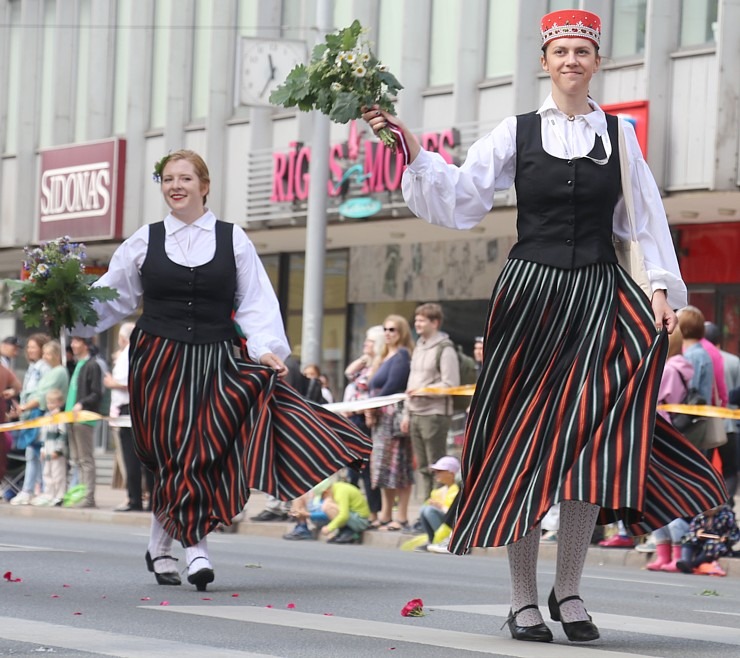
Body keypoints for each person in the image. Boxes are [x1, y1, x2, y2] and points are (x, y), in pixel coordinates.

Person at [363, 8, 726, 644]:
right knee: (522, 447)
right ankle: (523, 599)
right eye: (561, 51)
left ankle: (572, 589)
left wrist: (663, 289)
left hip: (596, 293)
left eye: (582, 51)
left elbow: (645, 218)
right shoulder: (515, 130)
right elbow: (462, 198)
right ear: (545, 61)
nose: (571, 61)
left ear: (596, 62)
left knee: (592, 446)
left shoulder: (621, 135)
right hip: (530, 298)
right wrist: (413, 149)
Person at [74, 149, 370, 591]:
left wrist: (266, 348)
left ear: (205, 185)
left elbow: (254, 300)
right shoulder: (144, 240)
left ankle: (192, 547)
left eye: (185, 178)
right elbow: (112, 297)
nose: (175, 186)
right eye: (168, 179)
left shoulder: (233, 239)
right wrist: (67, 307)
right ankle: (163, 546)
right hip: (158, 359)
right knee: (173, 454)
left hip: (216, 355)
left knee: (200, 451)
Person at [402, 303, 460, 500]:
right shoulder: (419, 346)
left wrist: (424, 392)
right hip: (415, 413)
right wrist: (406, 413)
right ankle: (426, 508)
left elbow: (451, 384)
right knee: (424, 467)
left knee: (437, 466)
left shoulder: (445, 349)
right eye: (416, 320)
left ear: (435, 323)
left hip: (434, 414)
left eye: (422, 320)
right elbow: (411, 381)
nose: (417, 324)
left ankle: (437, 510)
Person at [366, 315, 414, 532]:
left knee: (398, 468)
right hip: (379, 417)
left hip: (393, 416)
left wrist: (372, 405)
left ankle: (401, 516)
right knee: (382, 468)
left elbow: (393, 385)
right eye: (385, 329)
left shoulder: (402, 355)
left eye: (392, 330)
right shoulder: (384, 356)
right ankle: (386, 514)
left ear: (401, 332)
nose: (387, 333)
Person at [106, 322, 153, 512]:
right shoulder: (146, 351)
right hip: (142, 409)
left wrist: (112, 383)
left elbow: (128, 383)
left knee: (131, 458)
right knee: (146, 458)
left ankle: (135, 499)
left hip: (130, 408)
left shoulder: (129, 353)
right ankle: (150, 499)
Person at [343, 325, 385, 523]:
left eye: (369, 341)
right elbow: (349, 373)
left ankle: (374, 512)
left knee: (366, 468)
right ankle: (354, 509)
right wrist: (364, 357)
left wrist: (358, 409)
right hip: (353, 418)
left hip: (365, 418)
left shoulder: (379, 365)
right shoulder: (366, 364)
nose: (365, 344)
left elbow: (372, 392)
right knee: (351, 467)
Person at [8, 333, 50, 505]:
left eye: (34, 347)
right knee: (31, 453)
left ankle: (32, 489)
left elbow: (41, 393)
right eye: (29, 347)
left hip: (37, 413)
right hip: (28, 413)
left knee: (35, 453)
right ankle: (31, 488)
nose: (30, 350)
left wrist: (25, 407)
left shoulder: (43, 367)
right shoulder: (33, 367)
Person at [64, 336, 103, 509]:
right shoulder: (78, 364)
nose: (72, 345)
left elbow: (96, 393)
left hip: (83, 418)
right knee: (77, 459)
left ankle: (88, 498)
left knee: (86, 460)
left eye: (76, 341)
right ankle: (81, 495)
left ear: (86, 345)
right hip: (72, 418)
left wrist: (82, 404)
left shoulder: (92, 365)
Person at [704, 321, 739, 504]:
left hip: (707, 425)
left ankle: (709, 502)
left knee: (705, 466)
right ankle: (727, 503)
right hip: (730, 424)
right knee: (731, 468)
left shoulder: (700, 357)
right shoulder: (734, 361)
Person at [675, 504, 740, 576]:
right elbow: (693, 528)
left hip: (718, 543)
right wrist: (698, 532)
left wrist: (726, 538)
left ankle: (693, 565)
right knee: (688, 537)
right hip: (702, 540)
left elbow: (735, 533)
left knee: (712, 545)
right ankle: (685, 560)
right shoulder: (701, 516)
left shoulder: (726, 515)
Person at [31, 389, 68, 507]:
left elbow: (63, 434)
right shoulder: (47, 416)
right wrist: (42, 449)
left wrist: (58, 450)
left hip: (56, 452)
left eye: (53, 402)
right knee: (47, 473)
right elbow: (43, 435)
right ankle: (49, 494)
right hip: (47, 450)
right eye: (49, 402)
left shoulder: (61, 417)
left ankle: (59, 495)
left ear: (60, 403)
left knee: (58, 474)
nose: (50, 405)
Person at [415, 455, 460, 551]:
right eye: (435, 471)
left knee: (429, 511)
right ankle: (433, 540)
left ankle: (445, 540)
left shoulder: (456, 491)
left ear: (451, 473)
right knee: (424, 509)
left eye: (440, 471)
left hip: (452, 524)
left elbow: (454, 513)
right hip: (444, 520)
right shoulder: (438, 491)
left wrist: (439, 506)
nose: (436, 474)